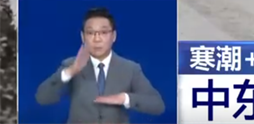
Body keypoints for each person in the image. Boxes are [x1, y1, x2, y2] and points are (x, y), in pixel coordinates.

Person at [35, 7, 165, 124]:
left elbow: (157, 105)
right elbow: (42, 98)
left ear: (113, 36)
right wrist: (71, 71)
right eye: (91, 33)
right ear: (83, 37)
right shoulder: (70, 65)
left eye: (103, 32)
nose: (97, 39)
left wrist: (125, 98)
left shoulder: (130, 69)